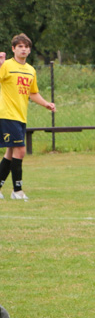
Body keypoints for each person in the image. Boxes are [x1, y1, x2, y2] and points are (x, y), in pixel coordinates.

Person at [0, 34, 56, 201]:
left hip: (20, 115)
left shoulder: (31, 70)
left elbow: (32, 93)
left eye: (26, 46)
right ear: (13, 49)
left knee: (11, 152)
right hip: (6, 114)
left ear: (30, 50)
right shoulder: (6, 65)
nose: (23, 49)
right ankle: (17, 191)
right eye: (20, 46)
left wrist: (46, 103)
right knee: (21, 150)